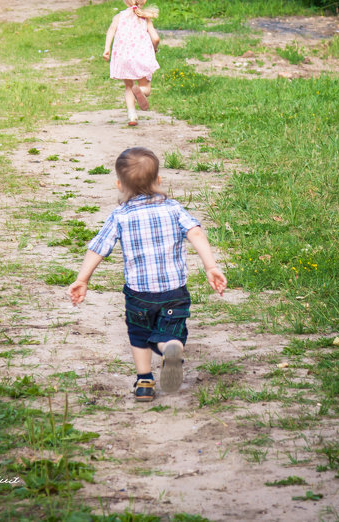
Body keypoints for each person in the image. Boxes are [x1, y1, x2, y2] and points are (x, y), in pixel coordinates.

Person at [67, 147, 227, 401]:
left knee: (139, 334)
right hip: (174, 291)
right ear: (159, 181)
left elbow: (98, 247)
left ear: (119, 185)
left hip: (139, 294)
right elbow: (195, 232)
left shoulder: (120, 216)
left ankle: (144, 382)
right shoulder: (173, 209)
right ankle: (168, 347)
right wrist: (211, 266)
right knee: (170, 330)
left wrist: (82, 279)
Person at [103, 0, 160, 126]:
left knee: (128, 86)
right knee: (145, 87)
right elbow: (156, 38)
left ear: (125, 1)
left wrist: (107, 49)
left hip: (123, 57)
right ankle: (139, 91)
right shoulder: (146, 18)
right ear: (144, 0)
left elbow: (111, 31)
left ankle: (132, 116)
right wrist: (155, 48)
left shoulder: (119, 16)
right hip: (141, 56)